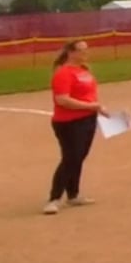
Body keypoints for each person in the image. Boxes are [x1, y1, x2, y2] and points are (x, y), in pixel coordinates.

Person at [45, 40, 108, 215]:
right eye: (81, 50)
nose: (85, 53)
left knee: (78, 157)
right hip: (69, 122)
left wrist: (98, 108)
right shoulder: (63, 73)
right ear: (71, 52)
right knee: (70, 158)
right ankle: (54, 198)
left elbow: (89, 96)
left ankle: (73, 194)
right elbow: (62, 100)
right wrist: (91, 106)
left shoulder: (84, 71)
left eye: (86, 50)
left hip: (87, 119)